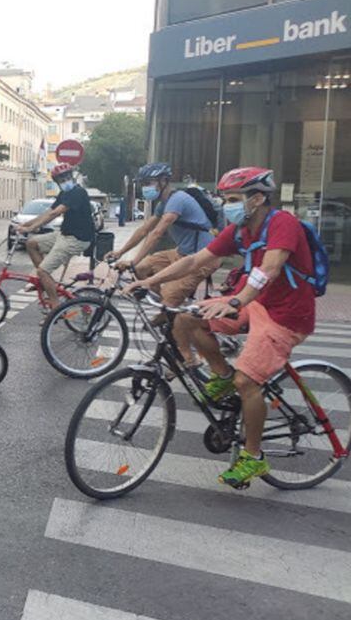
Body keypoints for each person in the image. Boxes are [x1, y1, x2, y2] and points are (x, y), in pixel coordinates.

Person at [124, 167, 316, 489]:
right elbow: (193, 261)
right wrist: (147, 280)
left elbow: (270, 268)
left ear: (256, 198)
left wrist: (237, 301)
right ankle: (222, 376)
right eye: (224, 199)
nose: (226, 206)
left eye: (232, 199)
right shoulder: (240, 230)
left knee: (248, 380)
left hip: (287, 315)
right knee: (187, 318)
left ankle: (253, 456)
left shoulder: (283, 224)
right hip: (255, 303)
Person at [107, 163, 221, 363]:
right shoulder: (163, 203)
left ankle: (188, 358)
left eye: (149, 183)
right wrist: (120, 252)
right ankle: (169, 305)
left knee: (169, 301)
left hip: (202, 258)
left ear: (164, 181)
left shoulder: (177, 200)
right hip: (181, 253)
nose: (146, 187)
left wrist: (132, 260)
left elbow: (157, 233)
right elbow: (144, 230)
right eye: (144, 184)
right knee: (143, 268)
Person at [15, 163, 95, 311]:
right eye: (61, 179)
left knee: (43, 271)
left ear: (71, 176)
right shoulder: (64, 194)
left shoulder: (78, 192)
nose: (65, 180)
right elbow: (48, 212)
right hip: (64, 234)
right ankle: (47, 283)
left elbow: (55, 213)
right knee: (31, 244)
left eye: (66, 177)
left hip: (77, 239)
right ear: (57, 182)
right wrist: (26, 224)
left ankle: (55, 307)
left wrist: (32, 228)